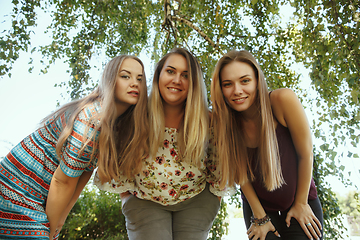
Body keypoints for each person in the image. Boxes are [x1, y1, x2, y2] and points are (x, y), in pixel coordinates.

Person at [0, 55, 148, 240]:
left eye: (140, 79)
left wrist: (61, 220)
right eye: (125, 76)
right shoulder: (92, 118)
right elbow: (63, 181)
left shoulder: (115, 126)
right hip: (15, 188)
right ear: (110, 80)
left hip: (40, 194)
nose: (134, 83)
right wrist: (51, 231)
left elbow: (84, 172)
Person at [94, 48, 229, 240]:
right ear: (158, 75)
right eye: (171, 71)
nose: (176, 80)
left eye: (185, 75)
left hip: (197, 201)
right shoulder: (136, 114)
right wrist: (127, 198)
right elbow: (118, 161)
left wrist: (213, 200)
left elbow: (219, 166)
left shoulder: (208, 120)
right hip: (144, 201)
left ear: (194, 83)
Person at [211, 50, 323, 240]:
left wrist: (301, 203)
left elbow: (306, 154)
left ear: (257, 81)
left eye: (245, 81)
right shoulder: (222, 122)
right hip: (259, 209)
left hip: (301, 200)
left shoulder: (282, 101)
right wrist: (260, 217)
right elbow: (241, 174)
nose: (237, 90)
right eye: (227, 84)